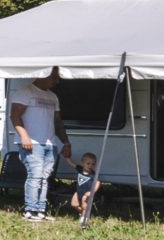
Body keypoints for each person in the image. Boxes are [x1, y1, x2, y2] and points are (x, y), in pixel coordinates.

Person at [8, 70, 73, 222]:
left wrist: (66, 142)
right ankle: (29, 210)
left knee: (45, 178)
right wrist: (25, 136)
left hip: (50, 144)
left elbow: (57, 122)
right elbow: (14, 116)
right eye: (54, 77)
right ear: (43, 74)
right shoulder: (25, 91)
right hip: (32, 143)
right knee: (35, 176)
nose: (56, 81)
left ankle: (41, 211)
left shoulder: (52, 96)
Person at [70, 152, 101, 222]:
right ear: (82, 163)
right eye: (88, 163)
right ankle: (82, 212)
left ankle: (84, 219)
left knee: (84, 205)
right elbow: (71, 163)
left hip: (87, 194)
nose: (90, 166)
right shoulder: (80, 169)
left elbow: (98, 182)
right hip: (78, 192)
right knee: (74, 204)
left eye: (93, 164)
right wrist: (67, 157)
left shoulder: (93, 174)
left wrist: (92, 191)